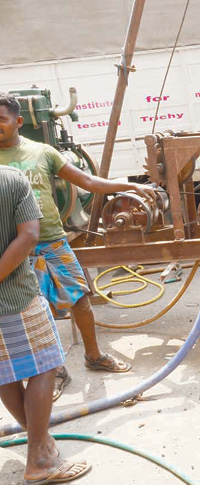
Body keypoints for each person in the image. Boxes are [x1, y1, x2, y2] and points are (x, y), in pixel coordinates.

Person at [0, 93, 157, 400]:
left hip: (53, 241)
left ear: (18, 122)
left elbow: (88, 181)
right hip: (14, 248)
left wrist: (130, 185)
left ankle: (94, 356)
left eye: (1, 120)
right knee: (39, 313)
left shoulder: (43, 153)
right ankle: (55, 371)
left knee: (80, 301)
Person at [0, 165, 91, 485]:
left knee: (5, 371)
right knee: (46, 363)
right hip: (15, 296)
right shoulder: (10, 179)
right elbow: (29, 235)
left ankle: (39, 441)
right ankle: (38, 460)